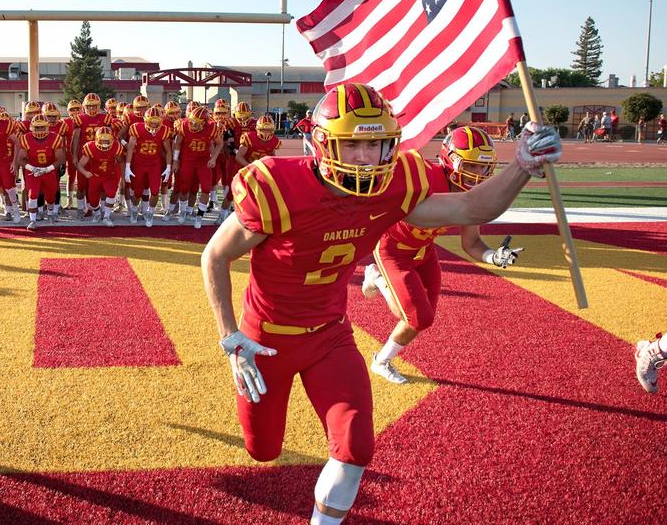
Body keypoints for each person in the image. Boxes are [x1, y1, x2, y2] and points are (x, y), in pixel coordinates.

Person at [200, 83, 561, 525]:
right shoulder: (277, 185)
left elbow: (469, 208)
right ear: (321, 142)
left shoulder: (396, 185)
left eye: (375, 143)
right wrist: (231, 337)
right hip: (265, 342)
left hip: (330, 335)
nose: (366, 156)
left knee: (355, 447)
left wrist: (522, 165)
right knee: (263, 450)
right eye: (352, 144)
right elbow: (215, 255)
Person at [361, 127, 520, 384]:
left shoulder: (469, 194)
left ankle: (381, 360)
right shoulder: (422, 176)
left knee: (424, 320)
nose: (478, 175)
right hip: (393, 249)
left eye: (483, 168)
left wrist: (493, 256)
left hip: (424, 251)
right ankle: (377, 277)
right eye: (471, 166)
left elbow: (472, 242)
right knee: (417, 315)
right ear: (451, 158)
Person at [14, 114, 66, 230]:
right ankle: (32, 220)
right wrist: (32, 168)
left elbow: (60, 159)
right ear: (32, 127)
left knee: (51, 196)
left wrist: (47, 169)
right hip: (33, 171)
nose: (40, 130)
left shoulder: (55, 137)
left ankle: (51, 213)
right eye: (37, 127)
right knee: (32, 194)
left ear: (47, 127)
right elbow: (19, 159)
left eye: (42, 127)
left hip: (49, 170)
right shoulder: (26, 138)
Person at [124, 106, 173, 227]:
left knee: (155, 191)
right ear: (146, 119)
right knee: (137, 192)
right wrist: (128, 167)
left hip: (154, 165)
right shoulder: (136, 128)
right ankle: (134, 211)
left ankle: (150, 213)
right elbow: (130, 148)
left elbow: (168, 151)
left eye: (157, 122)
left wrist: (168, 167)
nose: (155, 124)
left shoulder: (164, 130)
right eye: (152, 121)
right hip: (139, 164)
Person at [76, 126, 122, 228]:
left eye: (107, 140)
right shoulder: (90, 147)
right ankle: (97, 213)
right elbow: (80, 164)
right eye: (102, 140)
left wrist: (122, 174)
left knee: (111, 194)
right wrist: (85, 172)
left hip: (110, 175)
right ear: (97, 139)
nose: (105, 143)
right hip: (95, 176)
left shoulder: (116, 146)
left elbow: (120, 161)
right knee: (92, 203)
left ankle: (106, 216)